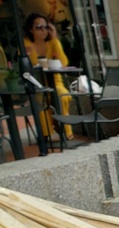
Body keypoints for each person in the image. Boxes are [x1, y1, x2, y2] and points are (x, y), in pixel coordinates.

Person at [22, 12, 73, 140]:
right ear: (31, 29)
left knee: (62, 96)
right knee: (40, 101)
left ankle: (67, 132)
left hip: (55, 81)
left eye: (46, 27)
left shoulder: (52, 43)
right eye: (39, 27)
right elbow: (29, 65)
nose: (43, 30)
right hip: (38, 82)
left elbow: (64, 62)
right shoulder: (26, 44)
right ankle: (46, 134)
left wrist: (55, 38)